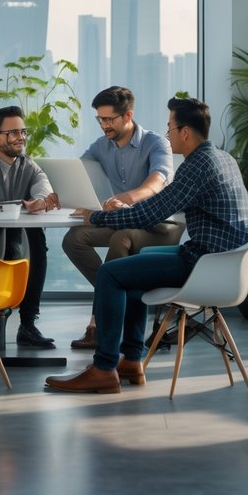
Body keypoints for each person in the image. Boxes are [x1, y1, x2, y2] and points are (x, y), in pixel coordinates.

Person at [46, 97, 248, 394]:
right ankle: (132, 360)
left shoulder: (199, 165)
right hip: (221, 262)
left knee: (109, 273)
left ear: (185, 132)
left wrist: (97, 217)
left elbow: (150, 213)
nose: (167, 134)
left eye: (170, 127)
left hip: (204, 264)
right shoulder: (223, 158)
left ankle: (103, 369)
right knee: (134, 262)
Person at [61, 86, 182, 350]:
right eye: (100, 119)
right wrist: (52, 194)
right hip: (124, 221)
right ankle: (115, 291)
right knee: (74, 239)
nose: (104, 125)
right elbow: (76, 173)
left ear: (128, 115)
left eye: (109, 119)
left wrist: (125, 198)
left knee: (121, 239)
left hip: (159, 225)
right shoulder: (101, 146)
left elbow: (156, 183)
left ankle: (98, 325)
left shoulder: (156, 143)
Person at [0, 106, 60, 350]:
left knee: (36, 235)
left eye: (23, 131)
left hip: (14, 240)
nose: (21, 137)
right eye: (14, 132)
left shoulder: (29, 166)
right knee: (1, 233)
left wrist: (41, 201)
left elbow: (43, 188)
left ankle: (27, 324)